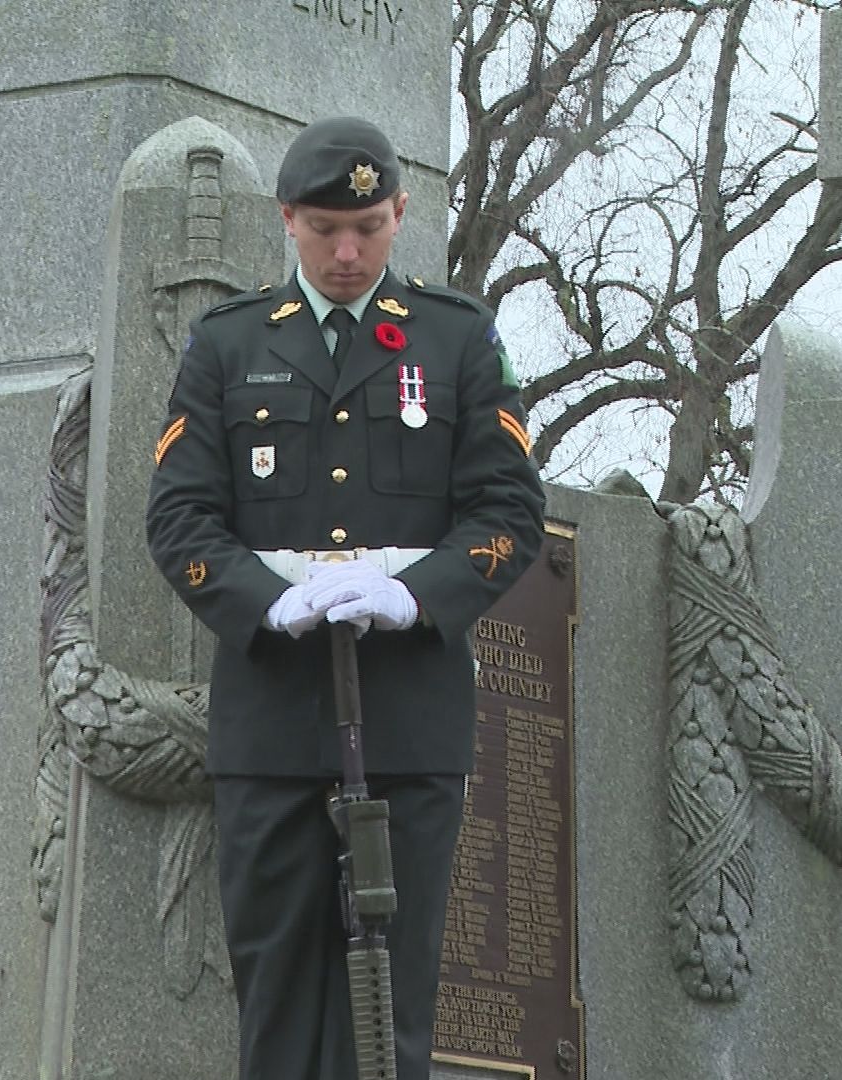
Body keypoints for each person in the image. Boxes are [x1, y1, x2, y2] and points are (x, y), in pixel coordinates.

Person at [145, 116, 545, 1080]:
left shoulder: (456, 338)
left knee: (388, 1021)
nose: (348, 250)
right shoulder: (229, 346)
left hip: (407, 723)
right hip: (274, 726)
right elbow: (180, 519)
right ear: (287, 220)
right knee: (276, 1012)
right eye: (325, 228)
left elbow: (508, 510)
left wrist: (413, 595)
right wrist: (264, 600)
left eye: (368, 224)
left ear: (401, 211)